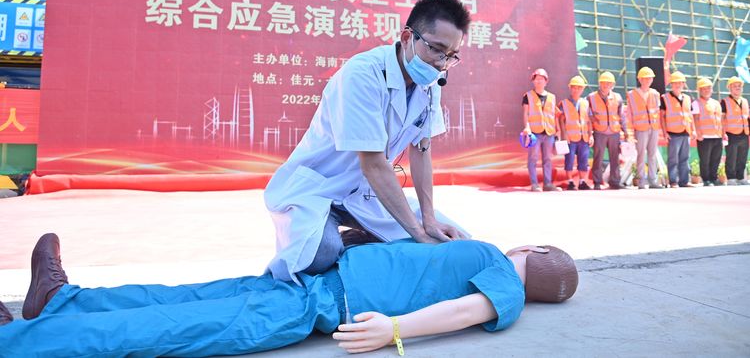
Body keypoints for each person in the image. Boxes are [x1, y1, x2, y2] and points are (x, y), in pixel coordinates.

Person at [0, 233, 578, 357]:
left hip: (316, 305)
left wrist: (396, 331)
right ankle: (61, 302)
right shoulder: (478, 252)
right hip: (308, 281)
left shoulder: (504, 277)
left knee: (177, 325)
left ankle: (20, 341)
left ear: (535, 252)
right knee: (185, 298)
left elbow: (469, 310)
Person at [264, 0, 472, 283]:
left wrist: (429, 220)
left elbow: (422, 150)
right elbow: (373, 164)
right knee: (320, 254)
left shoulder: (430, 84)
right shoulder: (363, 73)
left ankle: (359, 239)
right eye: (436, 49)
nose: (441, 64)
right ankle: (342, 243)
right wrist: (417, 233)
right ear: (407, 37)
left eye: (451, 56)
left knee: (456, 244)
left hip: (366, 194)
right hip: (318, 189)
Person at [522, 68, 561, 191]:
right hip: (534, 133)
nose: (539, 81)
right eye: (536, 79)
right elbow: (526, 113)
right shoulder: (528, 96)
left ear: (546, 81)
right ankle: (534, 184)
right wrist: (527, 127)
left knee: (548, 159)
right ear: (533, 81)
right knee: (533, 158)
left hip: (549, 132)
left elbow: (554, 115)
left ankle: (547, 184)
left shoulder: (552, 97)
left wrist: (558, 130)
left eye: (541, 79)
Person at [588, 72, 627, 190]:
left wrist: (625, 131)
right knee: (598, 158)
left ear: (613, 85)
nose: (606, 85)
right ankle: (597, 182)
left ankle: (615, 181)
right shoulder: (591, 97)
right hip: (599, 131)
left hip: (614, 132)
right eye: (604, 82)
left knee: (615, 158)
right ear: (600, 83)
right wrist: (590, 131)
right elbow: (588, 115)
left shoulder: (617, 97)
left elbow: (621, 116)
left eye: (609, 83)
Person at [627, 67, 663, 189]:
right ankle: (641, 180)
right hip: (640, 128)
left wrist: (659, 129)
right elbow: (629, 115)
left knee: (652, 154)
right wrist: (630, 133)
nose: (647, 80)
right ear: (640, 79)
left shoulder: (655, 94)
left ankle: (653, 180)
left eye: (649, 78)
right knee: (641, 154)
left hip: (653, 127)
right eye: (645, 78)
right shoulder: (632, 94)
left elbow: (658, 112)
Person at [660, 72, 696, 188]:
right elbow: (662, 117)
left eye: (680, 83)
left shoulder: (687, 98)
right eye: (675, 83)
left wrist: (693, 130)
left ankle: (684, 181)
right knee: (673, 159)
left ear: (683, 84)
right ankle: (673, 181)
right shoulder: (665, 98)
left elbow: (690, 115)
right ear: (671, 84)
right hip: (673, 133)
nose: (678, 85)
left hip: (685, 132)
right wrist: (665, 132)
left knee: (685, 158)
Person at [558, 76, 592, 190]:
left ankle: (582, 182)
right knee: (569, 160)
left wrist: (591, 135)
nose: (576, 90)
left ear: (583, 89)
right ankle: (570, 182)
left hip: (584, 137)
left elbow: (589, 120)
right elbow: (560, 120)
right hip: (570, 138)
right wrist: (564, 135)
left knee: (584, 160)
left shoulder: (586, 103)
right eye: (574, 87)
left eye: (579, 87)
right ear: (570, 88)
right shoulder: (564, 103)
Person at [692, 77, 724, 186]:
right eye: (703, 88)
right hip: (704, 136)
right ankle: (706, 179)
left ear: (712, 89)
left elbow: (720, 119)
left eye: (708, 88)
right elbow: (696, 119)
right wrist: (698, 133)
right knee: (705, 160)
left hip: (717, 136)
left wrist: (722, 134)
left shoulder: (716, 103)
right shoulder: (696, 103)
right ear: (699, 90)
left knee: (716, 159)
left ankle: (714, 178)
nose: (706, 90)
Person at [721, 76, 750, 185]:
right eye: (735, 86)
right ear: (729, 88)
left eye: (739, 86)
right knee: (731, 157)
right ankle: (731, 178)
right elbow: (722, 119)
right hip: (731, 134)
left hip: (744, 133)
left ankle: (740, 177)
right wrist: (723, 133)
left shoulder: (745, 101)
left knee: (742, 157)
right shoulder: (724, 101)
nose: (737, 88)